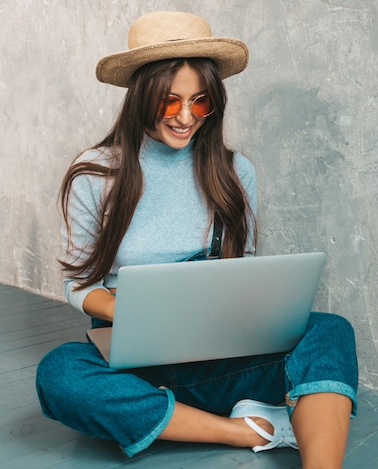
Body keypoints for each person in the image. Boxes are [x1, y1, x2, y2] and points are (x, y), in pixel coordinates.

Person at [36, 11, 358, 469]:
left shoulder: (234, 171)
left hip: (221, 355)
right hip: (138, 362)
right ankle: (243, 429)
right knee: (60, 373)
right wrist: (133, 311)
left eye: (200, 102)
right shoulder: (96, 174)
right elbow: (80, 285)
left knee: (330, 330)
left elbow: (241, 266)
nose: (186, 118)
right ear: (140, 97)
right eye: (170, 102)